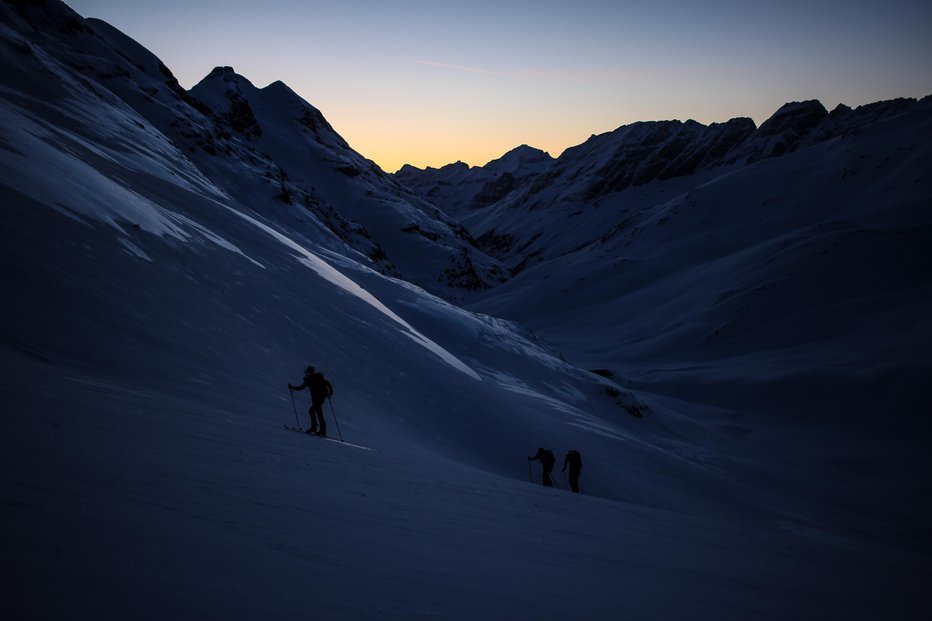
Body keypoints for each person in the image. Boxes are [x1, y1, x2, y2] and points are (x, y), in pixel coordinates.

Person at [288, 366, 334, 436]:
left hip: (320, 397)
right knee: (315, 412)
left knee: (314, 411)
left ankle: (318, 429)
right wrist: (293, 388)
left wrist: (330, 394)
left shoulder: (317, 378)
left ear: (310, 372)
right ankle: (318, 429)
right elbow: (302, 387)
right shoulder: (307, 380)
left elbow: (328, 383)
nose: (305, 373)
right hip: (315, 399)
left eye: (307, 372)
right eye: (305, 372)